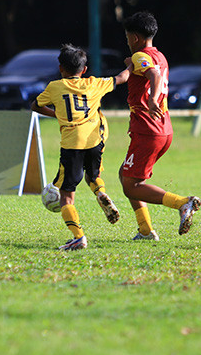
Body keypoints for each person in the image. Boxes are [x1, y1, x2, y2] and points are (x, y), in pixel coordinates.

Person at [31, 43, 129, 251]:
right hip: (94, 140)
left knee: (66, 195)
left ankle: (78, 237)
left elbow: (36, 105)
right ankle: (101, 193)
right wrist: (131, 65)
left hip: (71, 144)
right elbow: (121, 78)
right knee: (92, 177)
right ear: (84, 70)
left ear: (60, 68)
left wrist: (57, 114)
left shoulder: (54, 87)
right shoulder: (94, 83)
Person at [118, 11, 201, 240]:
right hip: (163, 129)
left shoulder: (140, 57)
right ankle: (144, 230)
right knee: (127, 176)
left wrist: (152, 99)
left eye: (127, 38)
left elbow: (152, 75)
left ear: (134, 37)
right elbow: (152, 69)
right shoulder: (160, 56)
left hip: (147, 130)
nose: (127, 42)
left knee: (130, 185)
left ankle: (183, 203)